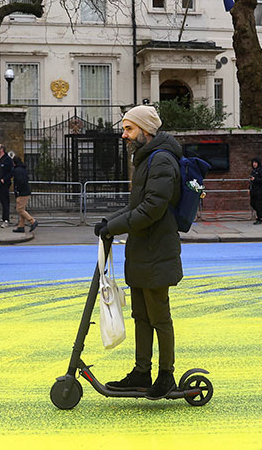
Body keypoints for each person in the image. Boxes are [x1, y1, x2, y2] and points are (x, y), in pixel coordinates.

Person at [96, 105, 183, 400]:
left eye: (129, 129)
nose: (124, 135)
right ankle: (142, 373)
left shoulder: (162, 160)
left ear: (146, 130)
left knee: (159, 318)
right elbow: (137, 206)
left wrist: (114, 227)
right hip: (143, 249)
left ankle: (166, 375)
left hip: (157, 251)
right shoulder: (146, 158)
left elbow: (152, 209)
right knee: (142, 317)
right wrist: (109, 222)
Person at [11, 156, 38, 234]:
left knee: (20, 209)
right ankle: (21, 226)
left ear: (14, 162)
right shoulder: (23, 169)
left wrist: (17, 190)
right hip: (26, 191)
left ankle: (32, 221)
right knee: (22, 209)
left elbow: (20, 182)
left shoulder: (17, 170)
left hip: (22, 192)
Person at [249, 157, 262, 224]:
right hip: (253, 190)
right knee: (252, 203)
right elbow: (251, 181)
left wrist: (255, 179)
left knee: (258, 205)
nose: (254, 164)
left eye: (255, 162)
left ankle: (260, 218)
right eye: (253, 162)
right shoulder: (253, 170)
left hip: (259, 191)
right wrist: (249, 189)